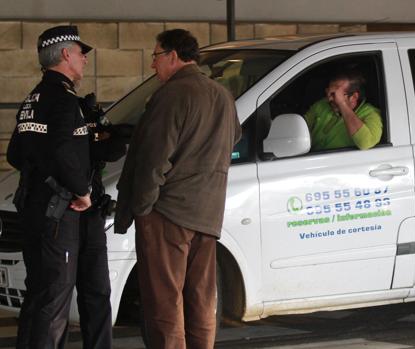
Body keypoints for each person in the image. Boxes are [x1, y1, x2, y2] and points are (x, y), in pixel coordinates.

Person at [114, 29, 241, 349]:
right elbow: (234, 139)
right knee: (200, 297)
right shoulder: (221, 95)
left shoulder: (171, 94)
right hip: (208, 211)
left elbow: (153, 157)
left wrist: (142, 207)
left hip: (169, 212)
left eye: (155, 56)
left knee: (164, 300)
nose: (152, 64)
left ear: (173, 56)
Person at [6, 25, 113, 348]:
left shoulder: (33, 98)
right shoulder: (64, 101)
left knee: (41, 294)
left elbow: (15, 153)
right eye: (81, 54)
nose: (84, 60)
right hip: (59, 211)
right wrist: (82, 191)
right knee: (54, 298)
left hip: (36, 208)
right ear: (66, 54)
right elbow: (63, 152)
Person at [304, 70, 383, 151]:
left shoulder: (371, 114)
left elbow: (366, 143)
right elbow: (302, 127)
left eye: (335, 94)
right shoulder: (322, 104)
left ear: (354, 97)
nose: (329, 99)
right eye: (328, 92)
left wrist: (342, 104)